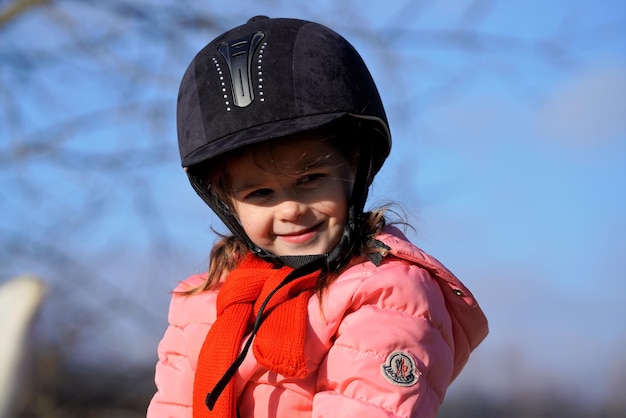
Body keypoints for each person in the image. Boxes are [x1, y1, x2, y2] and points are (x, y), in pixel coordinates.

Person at [147, 16, 488, 418]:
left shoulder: (388, 295)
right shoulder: (201, 302)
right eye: (260, 193)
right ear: (225, 200)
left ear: (356, 167)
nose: (290, 209)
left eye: (310, 179)